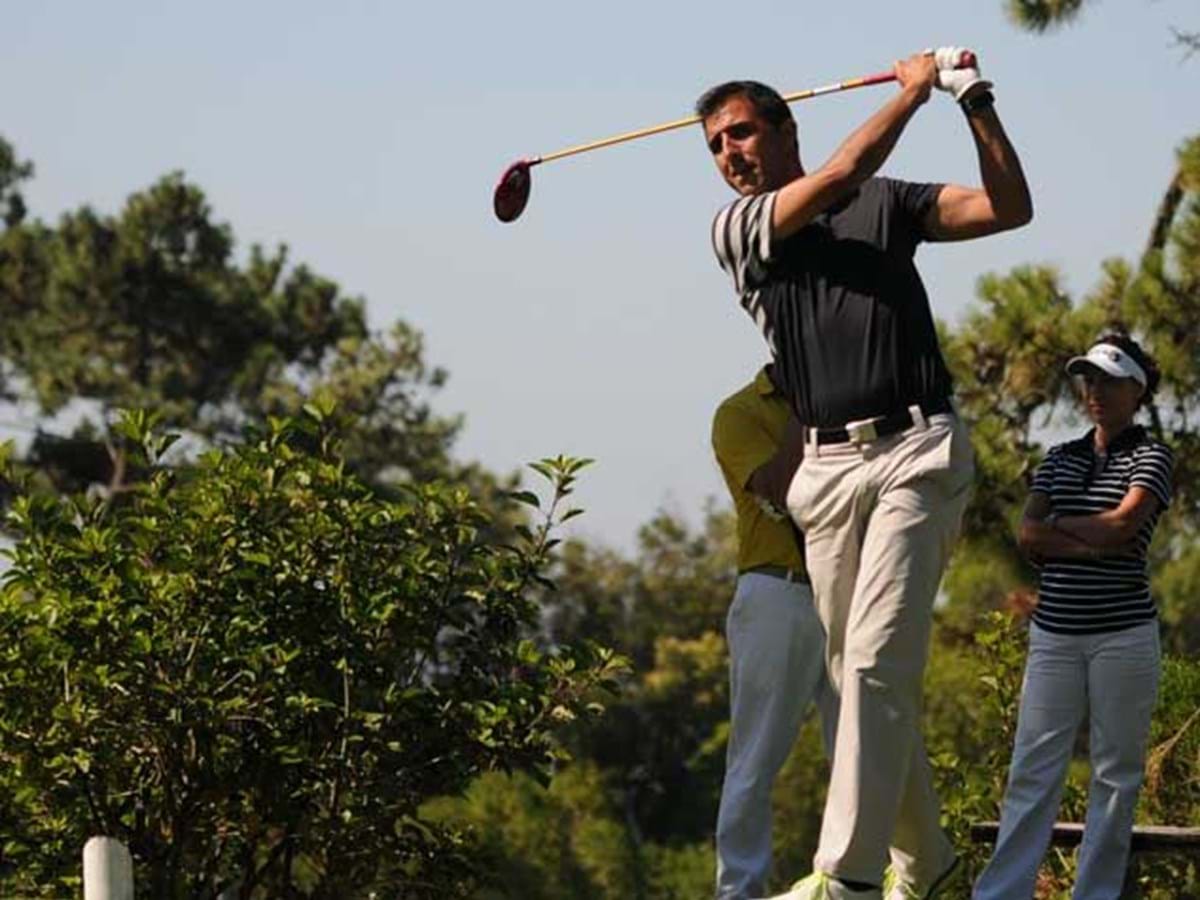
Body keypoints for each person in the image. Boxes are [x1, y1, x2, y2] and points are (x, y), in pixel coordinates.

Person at [697, 47, 1033, 900]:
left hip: (916, 454)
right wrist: (913, 90)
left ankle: (844, 878)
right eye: (714, 145)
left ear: (784, 128)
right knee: (854, 682)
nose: (729, 153)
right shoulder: (742, 230)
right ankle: (931, 868)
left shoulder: (887, 201)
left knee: (876, 664)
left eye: (740, 132)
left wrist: (973, 101)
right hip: (826, 472)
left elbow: (1009, 208)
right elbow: (847, 168)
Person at [973, 335, 1174, 900]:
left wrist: (1065, 531)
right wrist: (1092, 539)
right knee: (1033, 768)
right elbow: (1027, 534)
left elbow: (1123, 527)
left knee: (1115, 775)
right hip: (1056, 636)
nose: (1095, 392)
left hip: (1123, 636)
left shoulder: (1152, 455)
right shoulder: (1060, 457)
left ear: (1136, 389)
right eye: (1089, 380)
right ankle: (1002, 893)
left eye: (1109, 380)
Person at [712, 363, 838, 900]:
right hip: (777, 593)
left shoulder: (851, 398)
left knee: (862, 751)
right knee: (755, 756)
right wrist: (810, 409)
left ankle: (853, 882)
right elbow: (783, 490)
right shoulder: (739, 413)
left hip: (847, 593)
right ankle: (740, 889)